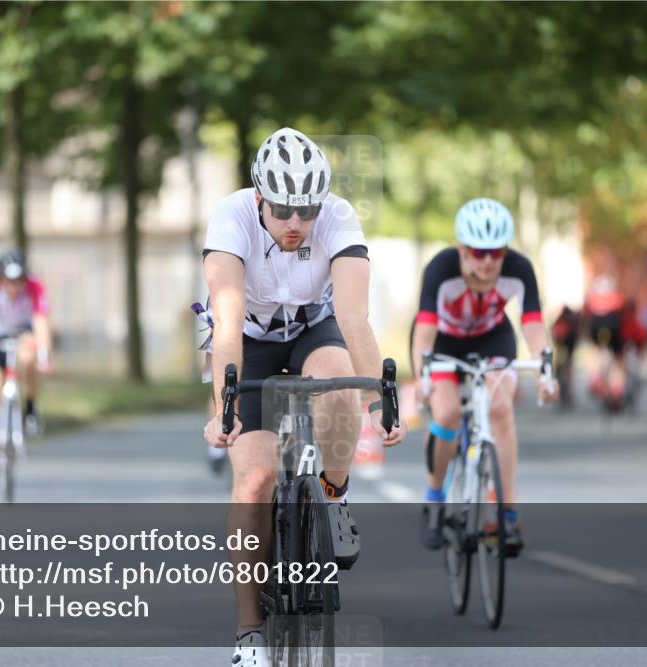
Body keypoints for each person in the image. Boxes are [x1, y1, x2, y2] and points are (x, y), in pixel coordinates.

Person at [200, 127, 407, 666]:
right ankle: (249, 633)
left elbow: (353, 316)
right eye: (285, 210)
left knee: (340, 391)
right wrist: (221, 408)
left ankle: (334, 496)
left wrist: (382, 398)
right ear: (260, 198)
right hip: (248, 337)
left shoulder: (338, 217)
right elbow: (224, 323)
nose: (297, 223)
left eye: (307, 210)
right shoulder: (231, 217)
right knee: (254, 480)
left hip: (315, 326)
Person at [411, 197, 558, 555]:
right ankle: (434, 498)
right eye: (479, 252)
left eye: (497, 252)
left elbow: (533, 325)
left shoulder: (519, 269)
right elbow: (425, 333)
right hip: (444, 343)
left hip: (494, 338)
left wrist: (545, 369)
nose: (489, 261)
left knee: (500, 410)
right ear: (462, 249)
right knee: (445, 413)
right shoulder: (440, 269)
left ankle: (508, 514)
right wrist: (422, 378)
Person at [0, 250, 51, 487]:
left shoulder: (35, 287)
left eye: (18, 281)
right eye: (9, 281)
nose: (14, 286)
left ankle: (31, 407)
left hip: (22, 333)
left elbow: (42, 323)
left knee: (28, 357)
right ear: (0, 278)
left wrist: (44, 355)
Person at [583, 275, 626, 409]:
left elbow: (586, 317)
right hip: (613, 330)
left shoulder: (593, 299)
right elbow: (623, 317)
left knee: (595, 351)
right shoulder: (617, 298)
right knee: (618, 361)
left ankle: (594, 378)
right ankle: (616, 391)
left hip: (597, 329)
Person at [550, 305, 580, 409]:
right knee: (568, 367)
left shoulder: (560, 320)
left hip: (561, 346)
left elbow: (553, 331)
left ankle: (562, 387)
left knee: (560, 366)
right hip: (569, 348)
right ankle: (568, 392)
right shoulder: (573, 321)